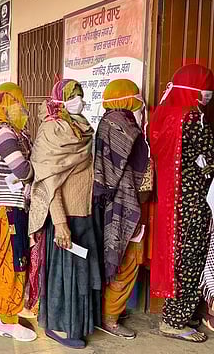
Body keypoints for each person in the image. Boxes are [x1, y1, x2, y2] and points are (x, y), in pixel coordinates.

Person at [26, 80, 100, 348]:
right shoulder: (51, 130)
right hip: (63, 217)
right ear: (59, 99)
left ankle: (78, 324)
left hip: (84, 213)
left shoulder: (81, 126)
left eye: (81, 95)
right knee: (63, 277)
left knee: (80, 275)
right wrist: (59, 223)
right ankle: (59, 327)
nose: (78, 100)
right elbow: (48, 181)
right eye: (72, 96)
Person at [151, 64, 214, 343]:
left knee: (177, 259)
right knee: (189, 260)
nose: (209, 93)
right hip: (191, 204)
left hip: (172, 201)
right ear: (193, 89)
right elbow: (209, 160)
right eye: (205, 88)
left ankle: (173, 315)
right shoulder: (190, 119)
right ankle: (174, 322)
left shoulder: (165, 114)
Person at [0, 82, 36, 342]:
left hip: (12, 207)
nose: (21, 108)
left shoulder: (9, 130)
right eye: (15, 103)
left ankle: (10, 307)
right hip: (8, 209)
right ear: (3, 103)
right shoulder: (3, 133)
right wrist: (39, 166)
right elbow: (23, 171)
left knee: (15, 260)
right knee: (11, 264)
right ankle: (7, 321)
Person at [93, 79, 149, 339]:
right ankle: (110, 316)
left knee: (114, 256)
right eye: (136, 97)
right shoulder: (123, 125)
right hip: (124, 203)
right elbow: (135, 169)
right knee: (126, 261)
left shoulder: (107, 122)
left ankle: (107, 310)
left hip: (109, 203)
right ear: (126, 98)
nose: (140, 101)